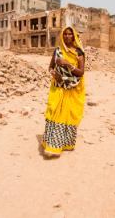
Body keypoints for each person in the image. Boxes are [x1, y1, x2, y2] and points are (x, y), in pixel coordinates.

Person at [42, 26, 85, 157]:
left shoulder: (79, 53)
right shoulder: (57, 51)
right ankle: (52, 146)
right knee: (55, 113)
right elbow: (50, 67)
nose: (67, 36)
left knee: (68, 115)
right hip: (58, 87)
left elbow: (81, 72)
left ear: (74, 36)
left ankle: (66, 144)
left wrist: (67, 63)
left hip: (72, 89)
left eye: (70, 34)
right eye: (65, 34)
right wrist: (54, 74)